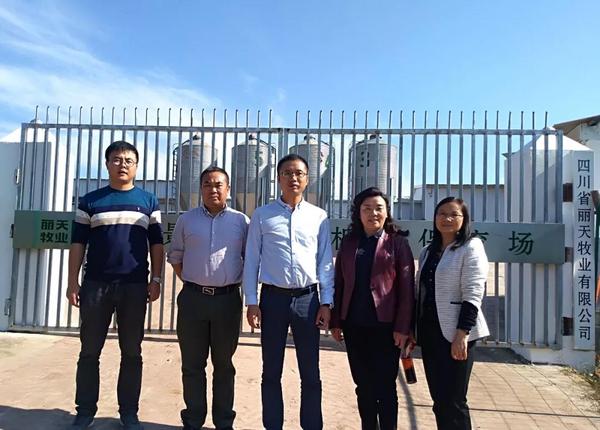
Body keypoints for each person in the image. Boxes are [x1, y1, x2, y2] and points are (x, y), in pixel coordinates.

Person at [66, 140, 164, 430]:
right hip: (96, 285)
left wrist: (156, 279)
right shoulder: (90, 201)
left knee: (132, 352)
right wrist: (72, 282)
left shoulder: (148, 201)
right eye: (117, 159)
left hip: (134, 286)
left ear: (136, 166)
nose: (123, 164)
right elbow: (78, 243)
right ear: (107, 164)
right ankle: (85, 411)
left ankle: (129, 413)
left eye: (128, 160)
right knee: (89, 351)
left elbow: (157, 244)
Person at [243, 153, 334, 430]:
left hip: (308, 300)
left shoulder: (318, 217)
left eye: (299, 173)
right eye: (287, 173)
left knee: (310, 372)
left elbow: (325, 262)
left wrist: (326, 302)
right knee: (271, 370)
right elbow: (251, 259)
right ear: (278, 178)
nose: (293, 178)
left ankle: (312, 425)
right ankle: (273, 425)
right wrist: (252, 301)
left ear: (307, 179)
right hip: (273, 300)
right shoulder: (262, 215)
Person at [168, 166, 249, 430]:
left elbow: (250, 259)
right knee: (192, 365)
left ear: (228, 189)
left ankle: (224, 422)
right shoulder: (186, 220)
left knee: (224, 365)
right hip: (193, 300)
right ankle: (193, 420)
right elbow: (175, 256)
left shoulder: (241, 222)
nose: (213, 189)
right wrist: (195, 282)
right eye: (207, 184)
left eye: (218, 185)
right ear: (200, 188)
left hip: (227, 301)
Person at [330, 187, 415, 430]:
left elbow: (407, 289)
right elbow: (339, 282)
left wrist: (403, 327)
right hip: (354, 325)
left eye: (379, 208)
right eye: (366, 208)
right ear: (358, 213)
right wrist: (336, 320)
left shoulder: (397, 243)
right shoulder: (349, 242)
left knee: (385, 386)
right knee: (363, 386)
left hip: (386, 328)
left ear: (387, 212)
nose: (373, 213)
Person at [415, 197, 489, 430]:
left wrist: (462, 333)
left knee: (455, 401)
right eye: (442, 213)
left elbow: (474, 292)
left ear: (464, 219)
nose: (447, 219)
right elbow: (421, 292)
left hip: (457, 334)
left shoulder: (471, 246)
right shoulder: (428, 251)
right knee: (439, 399)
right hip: (430, 333)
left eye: (454, 214)